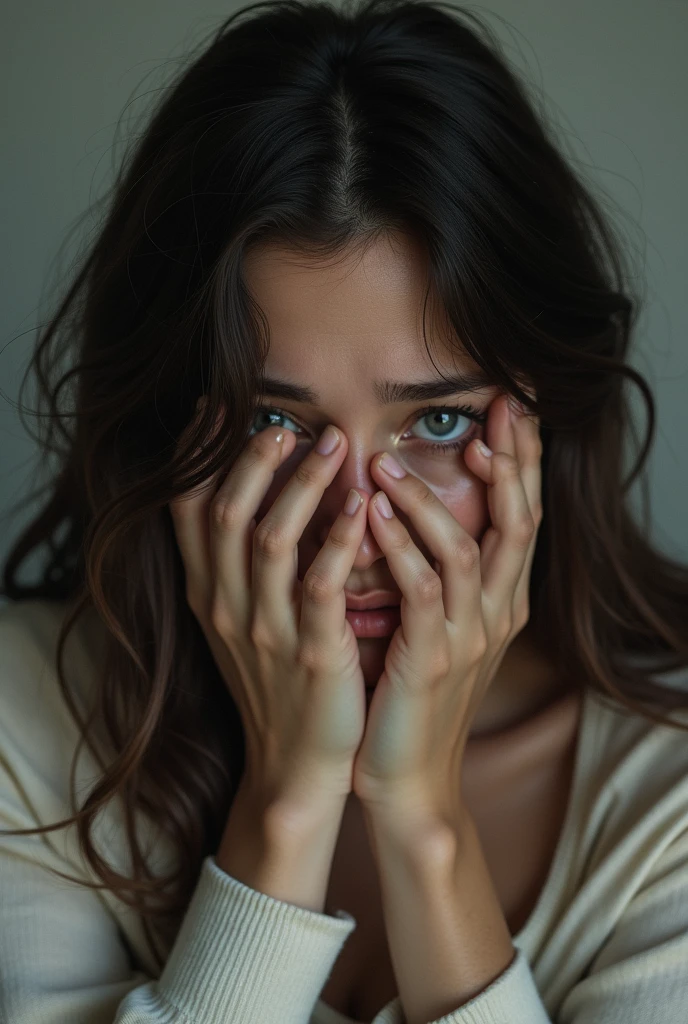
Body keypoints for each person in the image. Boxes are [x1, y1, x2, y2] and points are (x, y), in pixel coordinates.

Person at [1, 1, 687, 1022]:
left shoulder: (668, 779)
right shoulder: (26, 722)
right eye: (268, 422)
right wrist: (286, 803)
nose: (351, 532)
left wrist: (423, 823)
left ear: (551, 417)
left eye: (441, 424)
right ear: (161, 422)